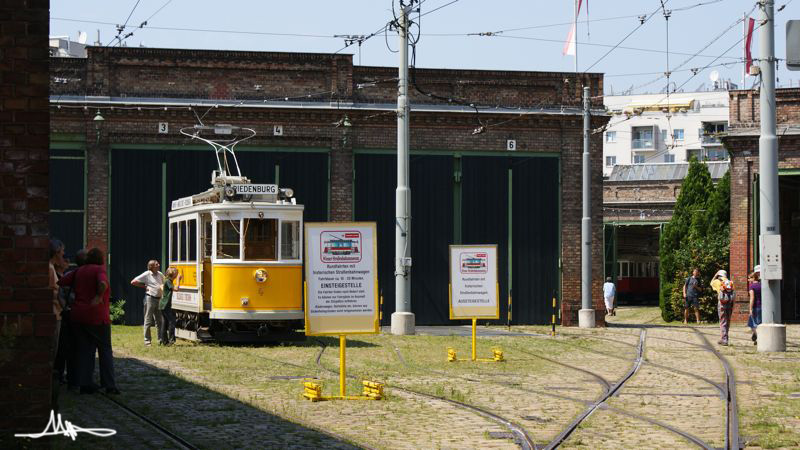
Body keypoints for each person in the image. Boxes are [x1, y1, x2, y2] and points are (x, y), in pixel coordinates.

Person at [58, 248, 119, 394]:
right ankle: (109, 384)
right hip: (97, 316)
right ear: (101, 259)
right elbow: (103, 284)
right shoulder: (99, 270)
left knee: (85, 350)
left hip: (78, 316)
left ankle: (85, 383)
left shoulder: (78, 271)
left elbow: (61, 281)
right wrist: (98, 296)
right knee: (104, 350)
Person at [54, 248, 87, 391]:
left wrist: (65, 308)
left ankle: (69, 378)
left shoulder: (70, 274)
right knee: (78, 349)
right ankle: (77, 379)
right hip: (82, 316)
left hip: (69, 314)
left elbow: (60, 293)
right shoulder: (91, 275)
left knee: (67, 347)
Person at [131, 260, 165, 346]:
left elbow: (164, 283)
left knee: (159, 321)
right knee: (148, 320)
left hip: (159, 299)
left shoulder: (160, 274)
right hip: (150, 299)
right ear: (152, 266)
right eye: (156, 264)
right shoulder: (147, 274)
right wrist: (144, 286)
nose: (159, 265)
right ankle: (147, 341)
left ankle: (160, 340)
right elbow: (133, 282)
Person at [711, 269, 734, 346]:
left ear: (719, 275)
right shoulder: (730, 282)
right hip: (730, 303)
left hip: (721, 303)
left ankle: (724, 339)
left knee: (722, 321)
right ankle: (724, 338)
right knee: (727, 321)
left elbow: (711, 283)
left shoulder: (717, 281)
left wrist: (715, 275)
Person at [159, 268, 181, 345]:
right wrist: (178, 279)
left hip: (164, 304)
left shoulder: (168, 281)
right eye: (177, 274)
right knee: (172, 321)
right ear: (173, 274)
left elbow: (161, 286)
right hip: (165, 305)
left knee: (164, 322)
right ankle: (171, 340)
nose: (177, 275)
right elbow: (176, 289)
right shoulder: (168, 281)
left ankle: (163, 340)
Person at [748, 265, 762, 345]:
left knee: (752, 323)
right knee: (760, 322)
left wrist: (750, 308)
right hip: (762, 306)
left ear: (753, 278)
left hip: (755, 306)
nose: (748, 280)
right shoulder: (761, 285)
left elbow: (752, 298)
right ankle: (757, 336)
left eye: (749, 278)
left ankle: (758, 337)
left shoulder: (752, 286)